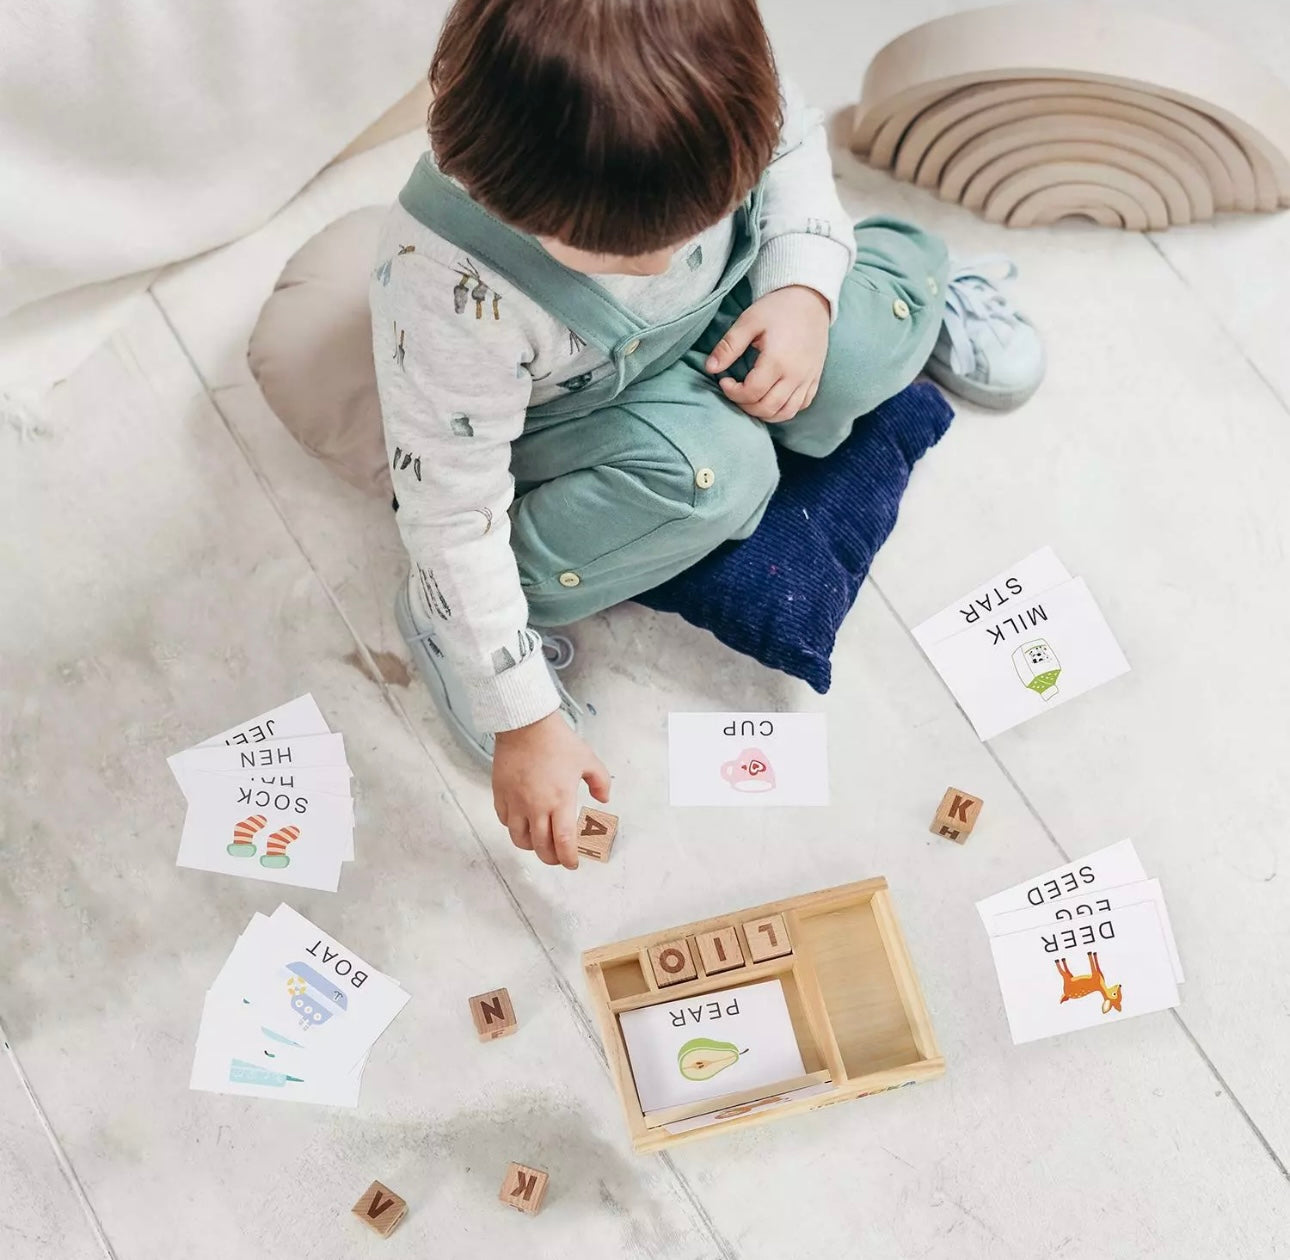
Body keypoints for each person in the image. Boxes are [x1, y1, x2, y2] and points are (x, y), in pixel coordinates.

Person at [369, 0, 1043, 871]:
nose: (656, 261)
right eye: (607, 252)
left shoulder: (712, 85)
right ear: (494, 179)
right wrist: (521, 714)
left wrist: (802, 289)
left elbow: (794, 150)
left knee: (858, 339)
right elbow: (452, 515)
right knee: (719, 478)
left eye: (696, 219)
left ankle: (920, 288)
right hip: (571, 406)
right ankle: (447, 625)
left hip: (725, 311)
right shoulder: (448, 289)